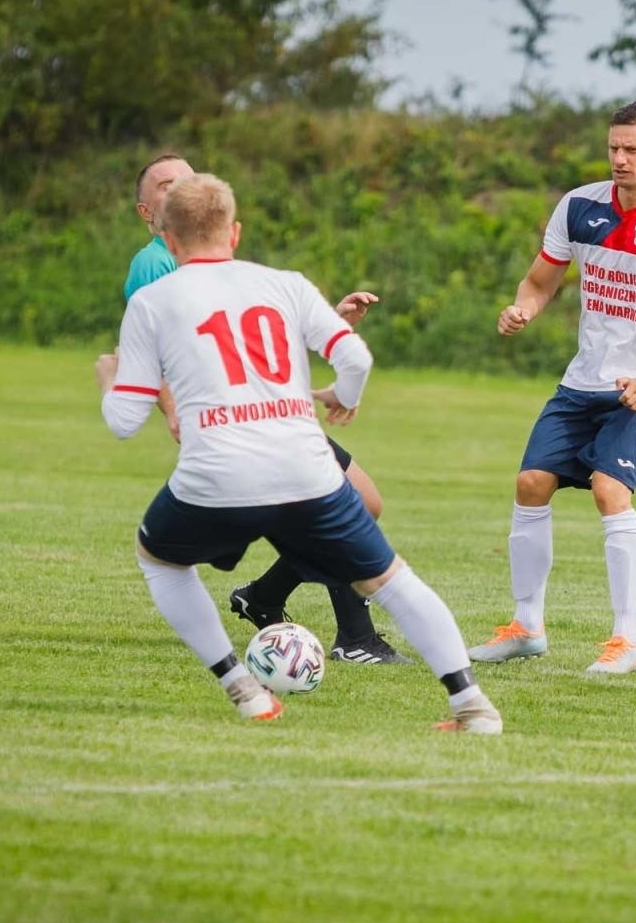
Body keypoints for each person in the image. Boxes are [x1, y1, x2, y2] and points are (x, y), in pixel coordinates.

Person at [96, 172, 499, 732]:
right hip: (306, 469)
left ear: (167, 238)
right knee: (391, 581)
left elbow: (122, 422)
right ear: (234, 233)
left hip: (217, 474)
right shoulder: (286, 284)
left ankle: (244, 689)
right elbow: (355, 359)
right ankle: (471, 706)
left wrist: (110, 379)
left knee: (160, 560)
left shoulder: (151, 301)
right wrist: (341, 397)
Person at [124, 153, 408, 666]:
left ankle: (264, 597)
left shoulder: (208, 254)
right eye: (167, 185)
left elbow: (246, 328)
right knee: (340, 499)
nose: (182, 187)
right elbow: (154, 344)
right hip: (240, 417)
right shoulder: (155, 261)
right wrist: (173, 411)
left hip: (266, 408)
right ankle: (356, 636)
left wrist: (330, 320)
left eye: (188, 178)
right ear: (148, 213)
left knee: (364, 501)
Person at [466, 100, 636, 674]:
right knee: (530, 482)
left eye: (633, 150)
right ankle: (526, 627)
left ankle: (628, 642)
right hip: (583, 381)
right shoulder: (579, 206)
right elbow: (539, 281)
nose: (620, 159)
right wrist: (523, 309)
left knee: (609, 489)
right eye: (613, 148)